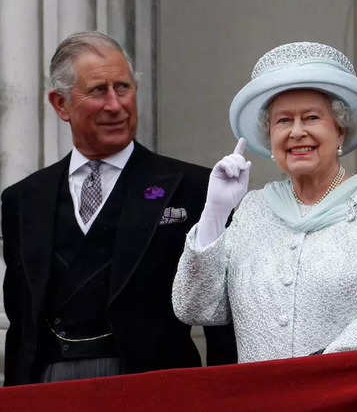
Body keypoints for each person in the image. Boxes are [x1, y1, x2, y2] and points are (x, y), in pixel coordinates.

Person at [1, 31, 236, 385]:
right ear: (60, 104)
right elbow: (22, 323)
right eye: (98, 91)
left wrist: (226, 397)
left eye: (123, 88)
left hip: (153, 388)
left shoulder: (195, 188)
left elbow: (221, 318)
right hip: (51, 389)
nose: (115, 105)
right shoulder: (23, 199)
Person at [172, 41, 357, 362]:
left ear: (340, 130)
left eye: (312, 117)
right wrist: (215, 214)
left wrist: (307, 378)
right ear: (269, 137)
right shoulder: (252, 210)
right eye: (283, 121)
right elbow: (195, 306)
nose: (297, 132)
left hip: (349, 396)